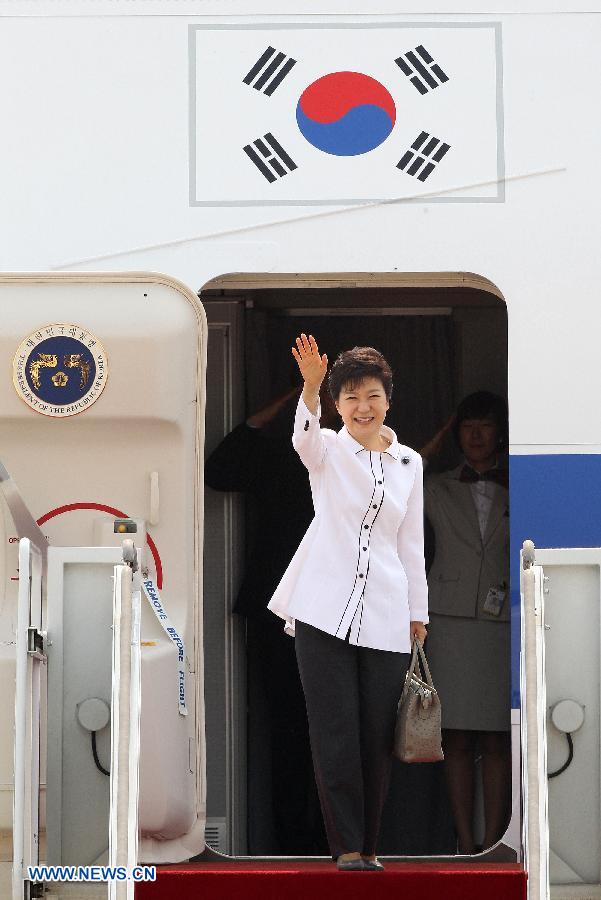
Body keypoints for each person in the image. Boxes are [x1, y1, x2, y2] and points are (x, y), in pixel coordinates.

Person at [268, 334, 429, 871]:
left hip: (387, 611)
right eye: (351, 397)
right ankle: (348, 849)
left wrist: (418, 614)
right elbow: (303, 442)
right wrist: (310, 387)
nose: (363, 407)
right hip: (322, 609)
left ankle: (372, 846)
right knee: (333, 731)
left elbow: (411, 544)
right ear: (339, 406)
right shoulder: (329, 449)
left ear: (388, 400)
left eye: (372, 396)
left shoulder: (410, 462)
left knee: (377, 736)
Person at [205, 385, 335, 854]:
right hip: (275, 609)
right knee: (285, 729)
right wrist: (275, 405)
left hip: (339, 612)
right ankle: (291, 842)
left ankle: (333, 838)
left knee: (334, 729)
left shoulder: (352, 462)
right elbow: (218, 472)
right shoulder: (279, 458)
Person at [420, 391, 511, 855]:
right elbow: (400, 473)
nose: (476, 435)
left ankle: (495, 842)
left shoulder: (520, 485)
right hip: (450, 622)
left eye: (485, 425)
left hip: (501, 625)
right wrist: (438, 437)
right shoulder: (435, 485)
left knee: (497, 737)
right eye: (467, 426)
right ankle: (466, 842)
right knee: (453, 738)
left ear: (500, 433)